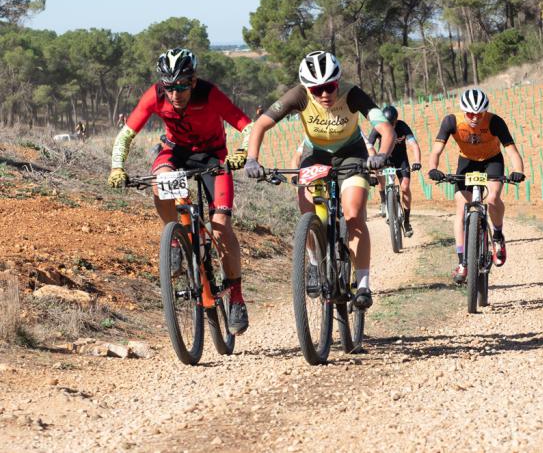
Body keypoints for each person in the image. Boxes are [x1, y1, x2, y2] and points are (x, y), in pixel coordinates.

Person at [107, 48, 253, 335]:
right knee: (160, 179)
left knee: (221, 227)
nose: (175, 94)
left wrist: (243, 152)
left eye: (182, 86)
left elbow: (246, 125)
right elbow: (126, 133)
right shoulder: (155, 95)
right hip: (175, 153)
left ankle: (236, 297)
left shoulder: (210, 94)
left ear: (194, 81)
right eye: (169, 87)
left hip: (213, 157)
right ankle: (174, 237)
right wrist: (116, 167)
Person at [245, 50, 394, 309]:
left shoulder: (353, 94)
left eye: (330, 87)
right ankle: (315, 261)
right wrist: (252, 159)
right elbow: (260, 125)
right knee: (307, 210)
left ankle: (363, 285)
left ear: (338, 82)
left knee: (354, 213)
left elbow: (386, 129)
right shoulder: (298, 95)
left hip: (351, 154)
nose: (324, 95)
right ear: (307, 88)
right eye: (317, 90)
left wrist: (381, 155)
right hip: (315, 155)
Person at [428, 88, 525, 283]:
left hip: (491, 160)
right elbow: (436, 150)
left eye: (479, 114)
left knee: (493, 197)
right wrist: (433, 168)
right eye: (470, 114)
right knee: (461, 209)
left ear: (485, 112)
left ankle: (497, 235)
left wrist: (518, 171)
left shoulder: (494, 121)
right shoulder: (452, 121)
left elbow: (512, 151)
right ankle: (463, 261)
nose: (474, 118)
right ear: (464, 111)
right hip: (467, 163)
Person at [366, 105, 421, 237]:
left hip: (401, 159)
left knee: (405, 187)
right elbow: (369, 146)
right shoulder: (379, 127)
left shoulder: (402, 126)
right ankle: (384, 201)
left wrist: (417, 161)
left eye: (392, 123)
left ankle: (407, 221)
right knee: (379, 175)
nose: (389, 126)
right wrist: (371, 168)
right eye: (387, 123)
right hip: (384, 159)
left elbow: (413, 144)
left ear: (396, 121)